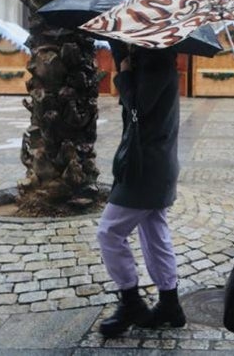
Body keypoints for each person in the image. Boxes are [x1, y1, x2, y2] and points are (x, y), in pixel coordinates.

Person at [96, 43, 186, 338]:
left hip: (146, 167)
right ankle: (170, 303)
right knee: (154, 231)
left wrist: (123, 71)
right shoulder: (153, 61)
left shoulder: (157, 64)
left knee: (109, 231)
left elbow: (137, 107)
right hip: (152, 164)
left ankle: (131, 301)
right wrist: (125, 60)